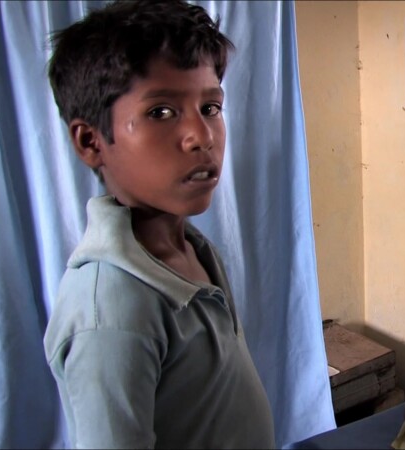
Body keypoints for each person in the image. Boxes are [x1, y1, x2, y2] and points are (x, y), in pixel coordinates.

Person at [42, 1, 275, 447]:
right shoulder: (111, 312)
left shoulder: (190, 248)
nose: (202, 136)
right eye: (161, 112)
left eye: (210, 107)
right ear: (91, 142)